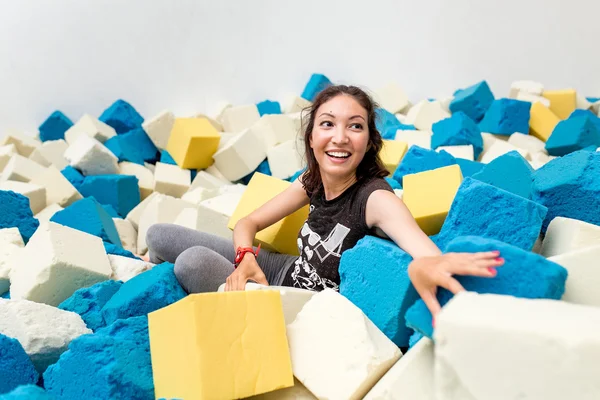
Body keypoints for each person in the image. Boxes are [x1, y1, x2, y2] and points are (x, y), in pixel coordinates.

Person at [145, 84, 503, 318]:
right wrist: (246, 259)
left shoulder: (374, 197)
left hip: (303, 309)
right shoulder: (311, 179)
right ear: (312, 136)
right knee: (159, 235)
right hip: (283, 270)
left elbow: (424, 251)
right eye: (328, 124)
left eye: (356, 126)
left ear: (368, 141)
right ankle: (148, 274)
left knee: (191, 264)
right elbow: (248, 224)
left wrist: (426, 267)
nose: (341, 138)